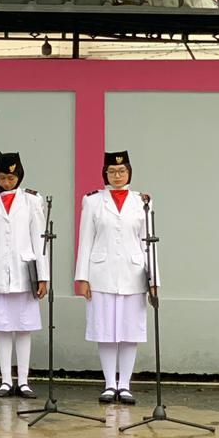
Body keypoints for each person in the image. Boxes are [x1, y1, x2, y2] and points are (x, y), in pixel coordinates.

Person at [74, 150, 154, 405]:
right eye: (112, 171)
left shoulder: (142, 201)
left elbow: (149, 243)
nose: (117, 176)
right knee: (105, 330)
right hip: (102, 273)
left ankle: (125, 385)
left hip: (133, 273)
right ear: (105, 174)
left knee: (130, 331)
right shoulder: (93, 201)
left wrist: (154, 280)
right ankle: (110, 384)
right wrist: (82, 277)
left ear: (129, 172)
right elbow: (85, 241)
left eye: (122, 171)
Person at [0, 151, 48, 398]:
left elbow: (40, 242)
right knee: (3, 329)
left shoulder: (32, 201)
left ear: (20, 176)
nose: (8, 182)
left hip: (24, 272)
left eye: (12, 177)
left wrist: (43, 276)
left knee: (24, 328)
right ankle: (6, 380)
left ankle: (24, 380)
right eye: (3, 177)